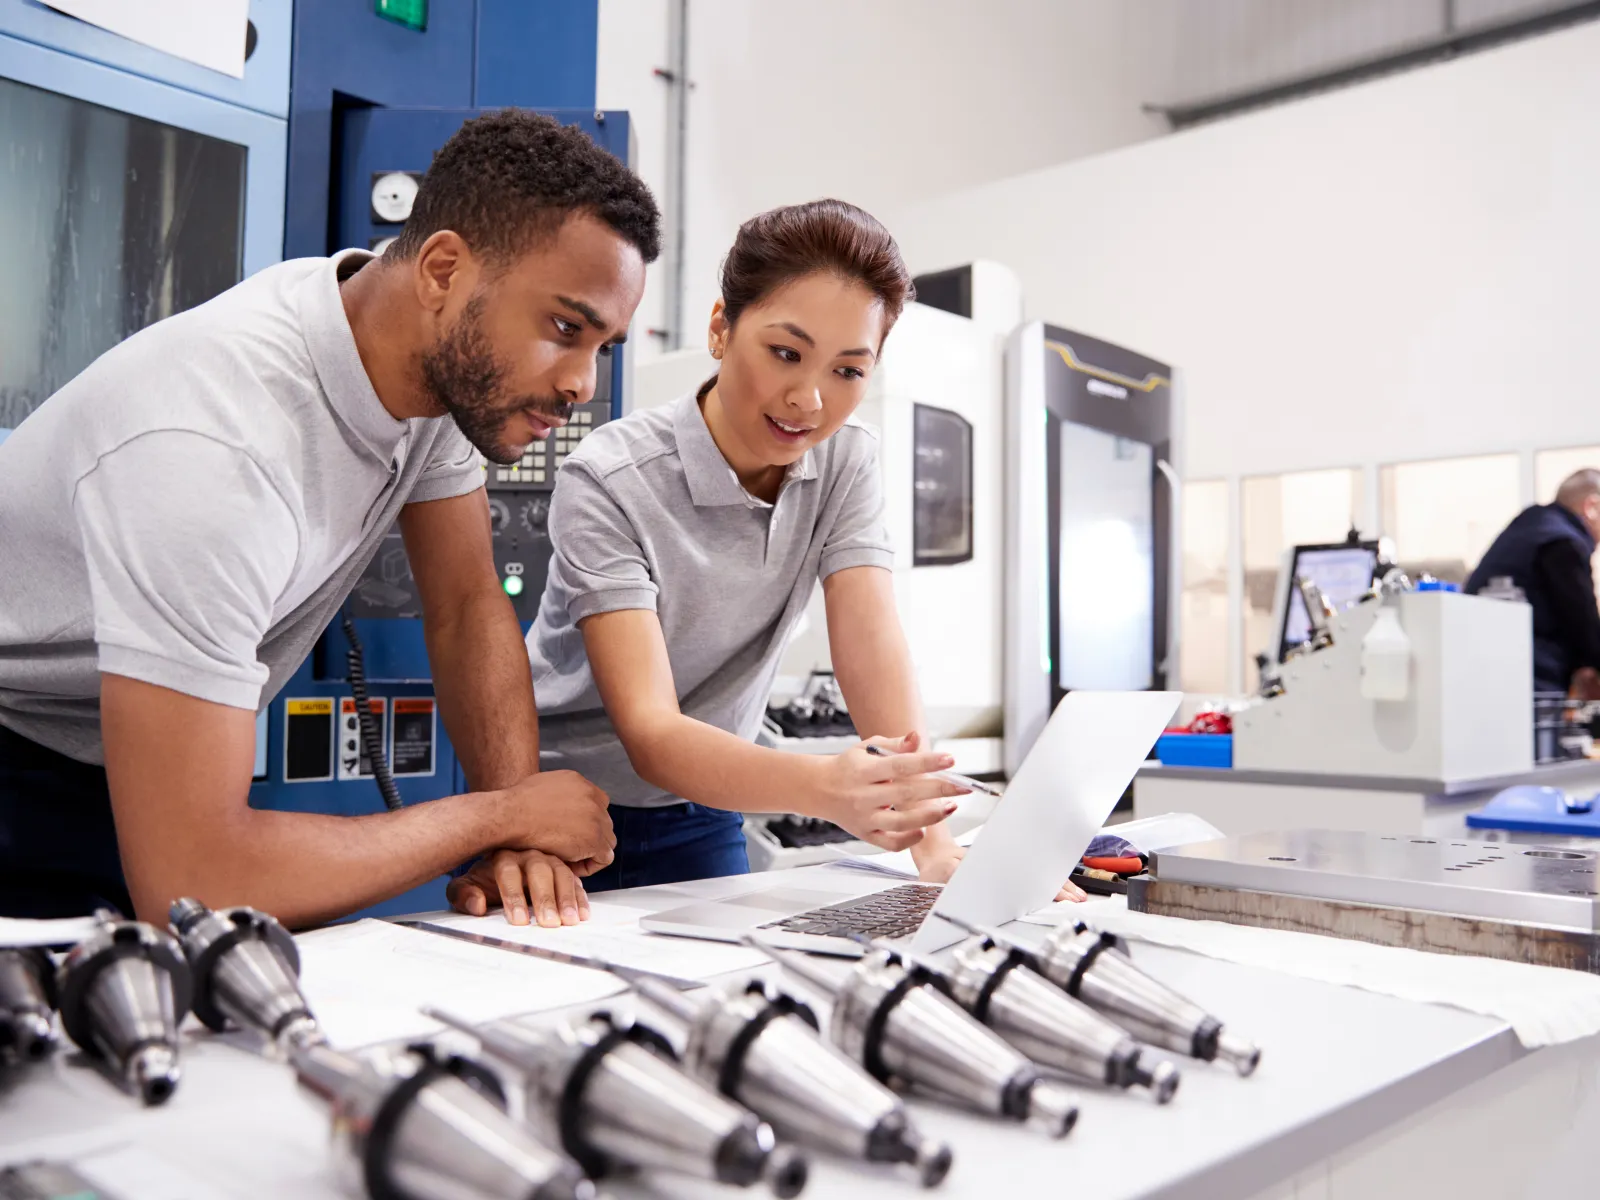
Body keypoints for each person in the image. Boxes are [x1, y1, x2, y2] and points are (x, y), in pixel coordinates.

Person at [0, 111, 658, 927]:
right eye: (565, 328)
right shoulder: (212, 449)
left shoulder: (423, 367)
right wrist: (500, 817)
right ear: (444, 269)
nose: (582, 386)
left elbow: (464, 605)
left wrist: (516, 825)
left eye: (605, 346)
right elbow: (194, 884)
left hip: (125, 757)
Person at [450, 200, 1086, 925]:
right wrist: (822, 786)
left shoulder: (846, 462)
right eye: (786, 353)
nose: (808, 399)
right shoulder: (613, 478)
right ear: (721, 328)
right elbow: (651, 731)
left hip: (706, 806)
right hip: (562, 814)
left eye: (849, 370)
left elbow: (871, 644)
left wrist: (933, 844)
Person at [1466, 469, 1600, 699]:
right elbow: (1581, 618)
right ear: (1592, 506)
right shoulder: (1562, 541)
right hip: (1532, 677)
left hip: (1478, 668)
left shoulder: (1529, 527)